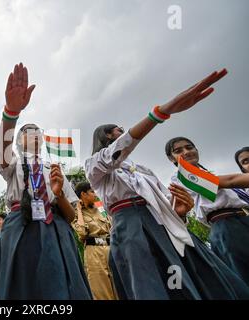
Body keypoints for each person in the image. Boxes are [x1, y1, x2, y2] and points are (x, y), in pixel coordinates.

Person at [86, 68, 249, 299]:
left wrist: (179, 213)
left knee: (203, 280)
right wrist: (161, 112)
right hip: (131, 225)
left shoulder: (143, 170)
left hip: (165, 223)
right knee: (149, 287)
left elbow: (167, 202)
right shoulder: (95, 165)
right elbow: (121, 148)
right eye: (119, 131)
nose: (125, 133)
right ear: (107, 137)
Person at [0, 63, 92, 300]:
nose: (33, 134)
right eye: (27, 131)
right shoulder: (13, 164)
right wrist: (11, 114)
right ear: (19, 139)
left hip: (54, 228)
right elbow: (3, 149)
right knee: (18, 283)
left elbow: (72, 216)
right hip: (19, 224)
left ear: (42, 140)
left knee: (60, 283)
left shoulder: (54, 170)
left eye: (37, 131)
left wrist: (59, 193)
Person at [166, 137, 249, 286]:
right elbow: (231, 181)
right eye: (178, 151)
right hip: (227, 226)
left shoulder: (206, 172)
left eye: (189, 147)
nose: (186, 152)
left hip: (241, 219)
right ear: (171, 158)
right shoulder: (183, 176)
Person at [72, 182, 116, 300]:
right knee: (102, 292)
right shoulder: (75, 213)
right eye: (92, 192)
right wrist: (79, 210)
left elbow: (112, 224)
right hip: (94, 253)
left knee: (120, 288)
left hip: (111, 249)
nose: (95, 194)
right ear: (83, 194)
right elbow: (81, 233)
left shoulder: (100, 206)